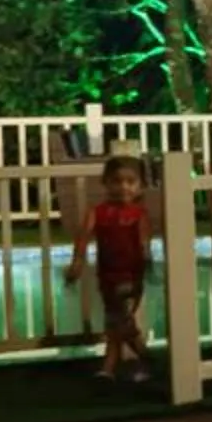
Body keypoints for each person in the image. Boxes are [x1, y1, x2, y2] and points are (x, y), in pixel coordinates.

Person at [67, 154, 155, 382]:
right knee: (114, 322)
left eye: (130, 181)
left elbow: (145, 242)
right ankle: (110, 367)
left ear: (140, 186)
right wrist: (77, 261)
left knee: (121, 320)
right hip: (107, 277)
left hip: (130, 276)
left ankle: (146, 359)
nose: (123, 187)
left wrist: (148, 263)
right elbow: (83, 237)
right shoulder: (97, 212)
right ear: (105, 182)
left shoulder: (139, 214)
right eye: (116, 181)